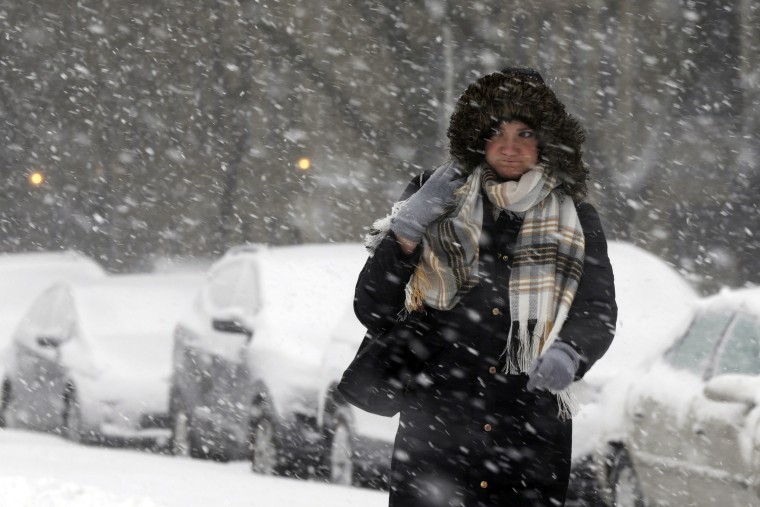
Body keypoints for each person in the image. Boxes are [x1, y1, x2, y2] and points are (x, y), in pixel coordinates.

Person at [351, 67, 617, 506]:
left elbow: (597, 310)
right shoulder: (435, 198)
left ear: (545, 140)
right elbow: (374, 307)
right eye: (496, 131)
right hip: (436, 427)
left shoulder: (576, 218)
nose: (509, 147)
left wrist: (572, 351)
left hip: (530, 435)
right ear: (477, 138)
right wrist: (407, 231)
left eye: (524, 132)